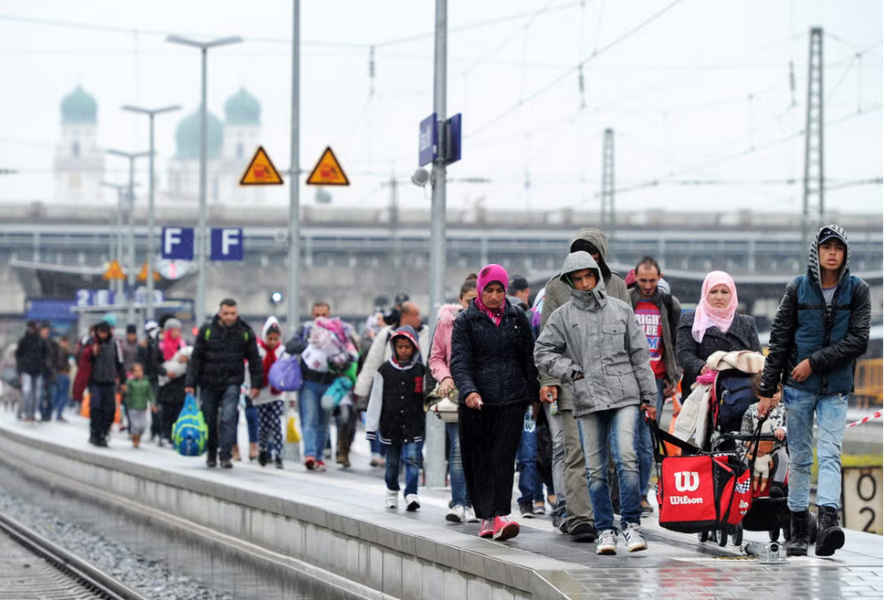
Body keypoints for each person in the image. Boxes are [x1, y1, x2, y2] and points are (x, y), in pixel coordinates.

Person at [757, 225, 870, 557]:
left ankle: (828, 524)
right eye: (826, 247)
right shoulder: (797, 289)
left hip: (834, 389)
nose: (832, 252)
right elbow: (779, 338)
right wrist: (767, 388)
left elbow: (858, 340)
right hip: (797, 389)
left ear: (845, 254)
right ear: (816, 252)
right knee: (801, 459)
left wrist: (813, 362)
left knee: (831, 453)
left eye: (838, 247)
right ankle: (797, 529)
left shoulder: (858, 290)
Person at [535, 252, 656, 555]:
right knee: (595, 469)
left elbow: (640, 355)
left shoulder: (620, 310)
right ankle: (605, 529)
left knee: (627, 457)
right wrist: (569, 370)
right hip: (587, 398)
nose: (586, 283)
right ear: (570, 281)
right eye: (578, 278)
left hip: (625, 394)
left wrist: (649, 397)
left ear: (598, 276)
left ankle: (630, 524)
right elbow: (542, 351)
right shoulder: (563, 315)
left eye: (590, 276)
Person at [451, 264, 540, 541]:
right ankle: (486, 516)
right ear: (480, 290)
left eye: (499, 290)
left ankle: (501, 514)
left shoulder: (517, 318)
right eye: (488, 290)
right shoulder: (466, 321)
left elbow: (529, 358)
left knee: (503, 457)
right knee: (480, 459)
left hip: (511, 399)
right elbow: (460, 362)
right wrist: (468, 391)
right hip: (477, 402)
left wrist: (534, 394)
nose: (494, 295)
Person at [630, 256, 683, 515]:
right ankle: (626, 494)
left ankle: (640, 495)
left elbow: (676, 344)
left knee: (645, 441)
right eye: (643, 280)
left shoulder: (669, 305)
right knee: (623, 441)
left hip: (657, 383)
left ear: (660, 278)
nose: (648, 285)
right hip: (627, 381)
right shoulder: (627, 302)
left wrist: (674, 378)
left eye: (652, 280)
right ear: (635, 277)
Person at [185, 299, 262, 469]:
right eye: (226, 313)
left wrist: (256, 384)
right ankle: (212, 452)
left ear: (237, 313)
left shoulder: (245, 332)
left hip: (232, 381)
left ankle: (226, 453)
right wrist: (190, 382)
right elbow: (196, 358)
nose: (229, 317)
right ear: (220, 313)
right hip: (209, 381)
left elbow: (254, 359)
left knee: (229, 417)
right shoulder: (207, 331)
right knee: (209, 418)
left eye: (233, 314)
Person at [354, 301, 431, 466]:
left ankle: (410, 458)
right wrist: (361, 390)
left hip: (417, 393)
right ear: (404, 316)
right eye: (415, 314)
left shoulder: (427, 334)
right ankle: (395, 459)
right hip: (391, 393)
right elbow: (372, 363)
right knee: (391, 428)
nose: (419, 318)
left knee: (416, 430)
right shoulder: (386, 335)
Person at [428, 277, 479, 524]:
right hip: (456, 393)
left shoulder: (492, 321)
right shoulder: (446, 323)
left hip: (485, 392)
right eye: (470, 301)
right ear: (460, 300)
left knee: (481, 452)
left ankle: (475, 503)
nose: (474, 305)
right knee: (459, 450)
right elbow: (435, 357)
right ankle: (460, 503)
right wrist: (445, 377)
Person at [288, 301, 359, 471]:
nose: (320, 318)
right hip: (309, 383)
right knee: (309, 419)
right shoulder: (305, 330)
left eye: (324, 314)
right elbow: (290, 346)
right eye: (317, 314)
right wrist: (309, 344)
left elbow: (351, 354)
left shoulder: (337, 330)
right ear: (312, 315)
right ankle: (310, 455)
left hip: (329, 384)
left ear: (329, 314)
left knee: (324, 423)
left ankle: (319, 457)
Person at [366, 326, 426, 511]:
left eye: (407, 347)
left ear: (414, 347)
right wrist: (371, 427)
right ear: (394, 347)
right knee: (392, 463)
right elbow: (375, 399)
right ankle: (392, 491)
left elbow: (427, 396)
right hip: (390, 425)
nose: (403, 350)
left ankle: (411, 493)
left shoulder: (421, 371)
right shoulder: (384, 370)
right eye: (400, 346)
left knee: (412, 459)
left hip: (413, 424)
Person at [676, 271, 762, 388]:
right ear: (705, 293)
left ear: (732, 295)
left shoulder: (746, 323)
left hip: (739, 391)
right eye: (713, 292)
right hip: (700, 388)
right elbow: (684, 354)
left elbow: (757, 358)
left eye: (725, 292)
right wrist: (701, 367)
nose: (719, 297)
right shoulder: (691, 320)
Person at [80, 321, 126, 447]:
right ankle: (95, 432)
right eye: (100, 332)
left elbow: (120, 363)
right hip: (95, 381)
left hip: (109, 382)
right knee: (95, 407)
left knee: (110, 410)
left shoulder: (115, 344)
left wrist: (123, 381)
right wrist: (91, 352)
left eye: (105, 332)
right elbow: (82, 358)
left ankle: (104, 432)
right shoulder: (90, 342)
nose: (103, 335)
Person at [255, 317, 286, 469]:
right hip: (261, 394)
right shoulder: (258, 351)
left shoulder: (282, 351)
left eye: (275, 338)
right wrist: (251, 388)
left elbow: (288, 374)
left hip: (277, 394)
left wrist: (290, 397)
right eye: (270, 338)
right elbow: (251, 372)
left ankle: (278, 454)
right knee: (263, 425)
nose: (272, 342)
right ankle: (263, 450)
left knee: (276, 424)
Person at [156, 318, 189, 445]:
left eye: (177, 330)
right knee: (166, 410)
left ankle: (176, 434)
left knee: (178, 409)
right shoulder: (160, 346)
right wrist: (165, 372)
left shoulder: (183, 345)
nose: (175, 333)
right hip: (166, 383)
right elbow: (155, 363)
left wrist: (185, 360)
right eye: (173, 330)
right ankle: (165, 433)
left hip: (180, 383)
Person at [15, 320, 49, 423]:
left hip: (38, 370)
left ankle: (33, 413)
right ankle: (27, 412)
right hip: (26, 370)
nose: (31, 329)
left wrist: (43, 367)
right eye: (30, 327)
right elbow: (18, 355)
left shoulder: (41, 341)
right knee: (26, 391)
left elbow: (46, 355)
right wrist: (20, 369)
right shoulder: (24, 341)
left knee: (37, 394)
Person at [125, 362, 154, 448]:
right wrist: (125, 390)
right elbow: (127, 393)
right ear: (132, 373)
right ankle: (135, 438)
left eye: (140, 371)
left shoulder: (146, 382)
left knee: (143, 425)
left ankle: (138, 437)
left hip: (142, 406)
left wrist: (152, 402)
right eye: (136, 371)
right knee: (135, 424)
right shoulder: (130, 382)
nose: (138, 373)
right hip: (132, 406)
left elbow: (149, 393)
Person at [39, 323, 59, 421]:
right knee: (40, 395)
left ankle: (48, 414)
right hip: (39, 372)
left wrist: (53, 367)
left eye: (46, 331)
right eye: (43, 331)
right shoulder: (37, 343)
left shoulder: (54, 344)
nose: (45, 333)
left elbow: (58, 358)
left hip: (51, 373)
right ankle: (42, 413)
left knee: (52, 396)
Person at [52, 337, 74, 422]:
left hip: (64, 374)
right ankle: (58, 414)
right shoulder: (60, 351)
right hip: (62, 374)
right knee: (61, 395)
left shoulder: (62, 351)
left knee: (61, 394)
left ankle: (57, 413)